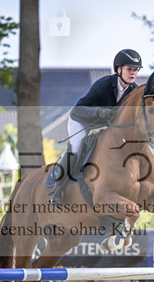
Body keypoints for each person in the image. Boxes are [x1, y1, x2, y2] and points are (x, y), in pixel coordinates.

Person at [48, 49, 143, 205]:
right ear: (119, 69)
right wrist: (99, 111)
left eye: (136, 70)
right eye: (129, 69)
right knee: (76, 148)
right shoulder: (104, 84)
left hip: (102, 126)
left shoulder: (133, 90)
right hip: (81, 121)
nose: (133, 73)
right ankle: (56, 190)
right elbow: (78, 109)